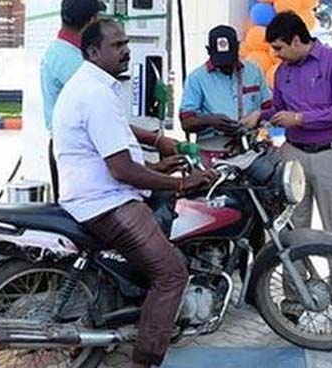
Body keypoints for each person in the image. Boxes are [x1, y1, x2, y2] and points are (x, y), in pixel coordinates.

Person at [53, 19, 217, 368]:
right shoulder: (95, 93)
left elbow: (116, 141)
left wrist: (158, 154)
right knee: (172, 274)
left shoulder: (92, 85)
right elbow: (122, 170)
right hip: (106, 201)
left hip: (101, 191)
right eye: (117, 45)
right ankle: (143, 362)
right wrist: (180, 183)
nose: (126, 49)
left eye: (126, 42)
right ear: (94, 51)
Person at [262, 11, 332, 326]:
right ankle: (295, 298)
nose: (276, 54)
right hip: (294, 154)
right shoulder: (282, 71)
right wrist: (260, 117)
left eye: (279, 47)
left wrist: (300, 118)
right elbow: (278, 108)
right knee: (293, 230)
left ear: (296, 40)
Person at [41, 0, 180, 199]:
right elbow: (104, 122)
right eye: (117, 45)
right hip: (83, 155)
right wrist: (157, 141)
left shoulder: (60, 52)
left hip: (91, 148)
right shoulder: (77, 66)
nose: (124, 50)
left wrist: (152, 165)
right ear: (91, 22)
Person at [178, 25, 272, 145]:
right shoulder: (196, 78)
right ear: (208, 51)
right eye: (220, 62)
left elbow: (269, 108)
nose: (226, 67)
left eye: (229, 61)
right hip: (212, 146)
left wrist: (257, 117)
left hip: (252, 143)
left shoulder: (254, 71)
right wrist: (211, 121)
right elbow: (186, 123)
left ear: (238, 48)